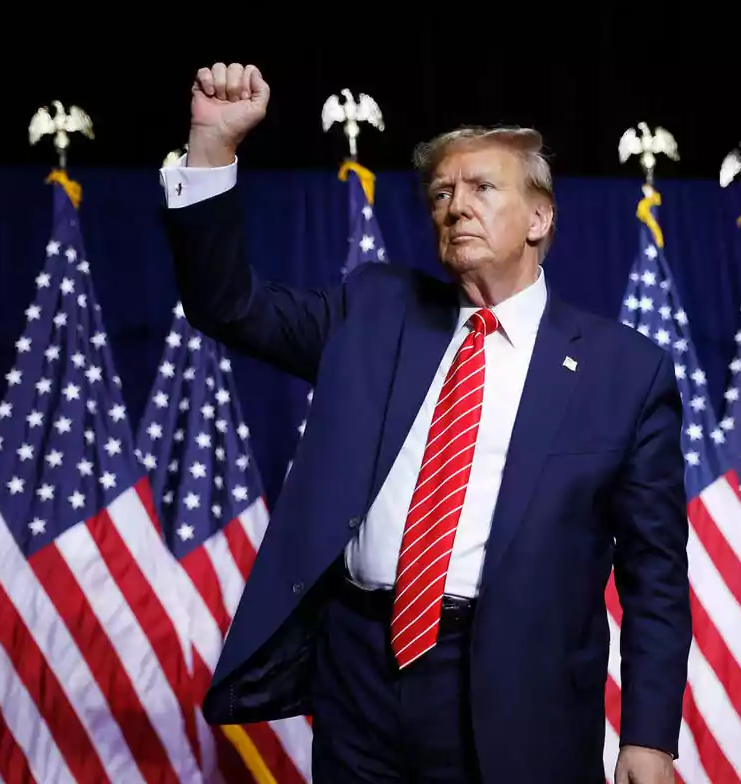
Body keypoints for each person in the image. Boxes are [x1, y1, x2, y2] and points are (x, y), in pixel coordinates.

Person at [158, 62, 691, 784]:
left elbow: (654, 572)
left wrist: (649, 737)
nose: (455, 206)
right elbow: (226, 305)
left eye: (481, 188)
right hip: (357, 675)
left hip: (514, 692)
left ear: (540, 218)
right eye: (441, 192)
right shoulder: (373, 310)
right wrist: (212, 149)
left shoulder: (625, 371)